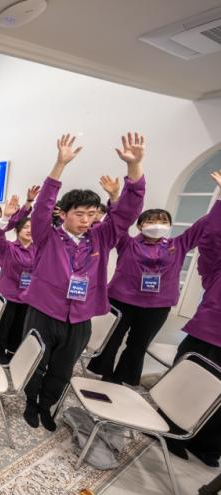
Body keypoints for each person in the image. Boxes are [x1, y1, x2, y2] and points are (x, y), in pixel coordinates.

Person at [20, 133, 146, 432]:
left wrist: (134, 167)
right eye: (79, 214)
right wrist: (59, 165)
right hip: (44, 312)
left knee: (63, 369)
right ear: (63, 214)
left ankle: (47, 405)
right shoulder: (47, 235)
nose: (86, 220)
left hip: (79, 318)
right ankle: (30, 401)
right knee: (36, 361)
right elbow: (42, 207)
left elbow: (128, 212)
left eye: (91, 214)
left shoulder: (101, 236)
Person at [87, 198, 219, 385]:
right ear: (140, 225)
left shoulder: (178, 244)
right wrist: (115, 200)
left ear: (170, 226)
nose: (158, 224)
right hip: (121, 300)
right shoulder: (127, 243)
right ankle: (102, 373)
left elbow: (203, 226)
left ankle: (123, 379)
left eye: (163, 221)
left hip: (157, 307)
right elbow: (116, 224)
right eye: (151, 220)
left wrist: (220, 200)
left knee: (138, 345)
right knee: (111, 340)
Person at [166, 171, 221, 467]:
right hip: (210, 333)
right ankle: (171, 432)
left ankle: (207, 445)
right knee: (185, 387)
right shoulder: (216, 268)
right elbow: (211, 241)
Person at [0, 191, 39, 365]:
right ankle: (1, 351)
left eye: (32, 228)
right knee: (4, 326)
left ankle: (13, 351)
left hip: (28, 296)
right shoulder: (9, 248)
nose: (29, 230)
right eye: (26, 227)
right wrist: (5, 217)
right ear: (18, 230)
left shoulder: (39, 249)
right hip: (9, 294)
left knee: (20, 327)